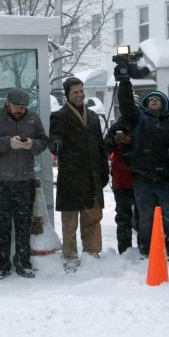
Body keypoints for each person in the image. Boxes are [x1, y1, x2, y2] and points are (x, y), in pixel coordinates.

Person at [0, 88, 48, 279]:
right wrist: (8, 143)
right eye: (17, 106)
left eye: (23, 107)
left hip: (24, 180)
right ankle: (2, 265)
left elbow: (43, 140)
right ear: (7, 103)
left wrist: (31, 145)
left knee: (23, 224)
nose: (21, 110)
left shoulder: (33, 118)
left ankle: (23, 262)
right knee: (1, 226)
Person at [117, 76, 169, 259]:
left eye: (158, 98)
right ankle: (146, 249)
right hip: (143, 178)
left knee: (168, 216)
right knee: (145, 217)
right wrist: (124, 81)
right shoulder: (138, 120)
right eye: (151, 99)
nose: (154, 100)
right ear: (146, 103)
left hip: (166, 179)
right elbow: (127, 105)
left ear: (164, 103)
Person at [49, 77, 109, 272]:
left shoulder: (92, 116)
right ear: (68, 94)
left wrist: (104, 168)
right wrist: (56, 143)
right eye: (75, 92)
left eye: (81, 91)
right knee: (70, 221)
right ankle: (70, 255)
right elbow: (55, 135)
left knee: (93, 217)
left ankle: (92, 252)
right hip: (71, 175)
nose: (80, 94)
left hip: (92, 174)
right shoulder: (60, 116)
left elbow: (100, 145)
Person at [103, 117, 138, 255]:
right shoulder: (116, 126)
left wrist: (132, 142)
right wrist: (114, 141)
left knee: (142, 217)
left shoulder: (140, 122)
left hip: (139, 178)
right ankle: (125, 250)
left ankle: (144, 248)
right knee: (123, 217)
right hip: (121, 179)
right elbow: (105, 146)